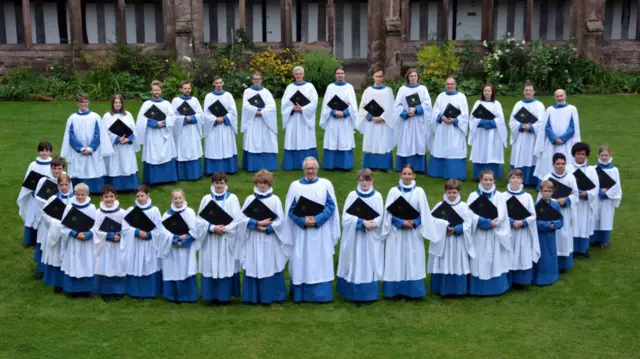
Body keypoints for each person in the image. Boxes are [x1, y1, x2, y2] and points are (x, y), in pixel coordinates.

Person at [284, 157, 340, 302]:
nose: (310, 171)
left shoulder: (325, 184)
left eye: (313, 168)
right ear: (303, 169)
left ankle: (321, 294)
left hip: (320, 231)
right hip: (301, 232)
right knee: (301, 260)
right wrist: (303, 221)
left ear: (317, 169)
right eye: (308, 168)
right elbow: (290, 210)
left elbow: (331, 207)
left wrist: (317, 220)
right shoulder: (295, 186)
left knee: (320, 260)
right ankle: (301, 294)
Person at [381, 164, 441, 300]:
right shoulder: (393, 191)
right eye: (404, 173)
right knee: (396, 259)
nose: (407, 176)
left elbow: (425, 212)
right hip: (397, 232)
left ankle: (413, 292)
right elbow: (388, 212)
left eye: (409, 174)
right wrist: (401, 222)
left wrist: (414, 222)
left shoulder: (419, 191)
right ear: (400, 175)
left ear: (414, 175)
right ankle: (395, 291)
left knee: (413, 259)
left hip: (413, 232)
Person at [236, 170, 291, 304]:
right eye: (260, 183)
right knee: (254, 263)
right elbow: (241, 219)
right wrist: (256, 224)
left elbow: (280, 220)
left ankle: (272, 296)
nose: (262, 186)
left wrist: (268, 228)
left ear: (269, 183)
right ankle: (252, 297)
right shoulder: (250, 199)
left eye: (265, 183)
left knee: (269, 263)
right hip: (254, 237)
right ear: (256, 183)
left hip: (269, 238)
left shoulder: (275, 199)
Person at [337, 169, 385, 303]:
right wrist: (361, 222)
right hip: (355, 237)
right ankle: (352, 293)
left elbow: (381, 216)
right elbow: (345, 218)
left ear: (372, 180)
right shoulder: (352, 195)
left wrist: (373, 224)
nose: (364, 183)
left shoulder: (377, 196)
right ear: (358, 180)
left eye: (367, 179)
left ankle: (369, 294)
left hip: (370, 236)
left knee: (369, 262)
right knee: (355, 261)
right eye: (362, 179)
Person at [195, 173, 242, 304]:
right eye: (217, 183)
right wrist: (212, 228)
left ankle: (225, 296)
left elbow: (238, 220)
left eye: (221, 183)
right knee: (211, 265)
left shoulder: (232, 199)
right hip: (211, 240)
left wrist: (225, 229)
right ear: (213, 184)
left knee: (225, 265)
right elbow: (199, 221)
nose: (219, 185)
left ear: (225, 183)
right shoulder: (206, 199)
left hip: (226, 239)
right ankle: (211, 296)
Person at [467, 169, 511, 296]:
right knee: (479, 259)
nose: (488, 182)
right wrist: (485, 222)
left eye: (490, 180)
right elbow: (469, 214)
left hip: (494, 233)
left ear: (494, 181)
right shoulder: (473, 196)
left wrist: (494, 223)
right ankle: (478, 288)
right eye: (485, 179)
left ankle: (496, 288)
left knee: (495, 259)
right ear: (480, 180)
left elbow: (502, 214)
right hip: (479, 233)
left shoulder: (500, 196)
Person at [427, 179, 474, 297]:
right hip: (444, 240)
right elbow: (431, 220)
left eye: (454, 192)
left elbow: (468, 224)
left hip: (457, 241)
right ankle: (442, 288)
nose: (452, 195)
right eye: (449, 192)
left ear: (459, 192)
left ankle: (458, 289)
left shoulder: (464, 207)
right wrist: (443, 227)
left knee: (456, 261)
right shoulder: (440, 205)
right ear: (445, 192)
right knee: (443, 261)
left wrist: (456, 229)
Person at [61, 94, 113, 194]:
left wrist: (90, 148)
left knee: (93, 167)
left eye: (85, 102)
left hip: (93, 150)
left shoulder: (95, 117)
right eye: (81, 102)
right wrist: (80, 148)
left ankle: (95, 189)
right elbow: (70, 136)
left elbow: (99, 134)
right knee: (79, 169)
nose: (83, 104)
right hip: (78, 151)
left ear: (88, 102)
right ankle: (78, 189)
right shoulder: (72, 118)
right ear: (77, 103)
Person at [121, 185, 164, 299]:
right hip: (135, 243)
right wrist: (136, 232)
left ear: (148, 195)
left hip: (149, 243)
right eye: (138, 196)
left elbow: (159, 228)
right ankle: (135, 291)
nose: (140, 198)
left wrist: (149, 234)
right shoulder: (131, 210)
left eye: (142, 195)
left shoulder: (154, 210)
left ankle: (149, 291)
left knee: (149, 264)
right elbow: (125, 228)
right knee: (136, 264)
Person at [537, 153, 578, 272]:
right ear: (553, 164)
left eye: (563, 163)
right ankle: (552, 262)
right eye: (558, 164)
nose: (560, 166)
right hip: (551, 212)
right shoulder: (547, 177)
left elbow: (575, 194)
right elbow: (541, 196)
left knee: (564, 237)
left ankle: (564, 264)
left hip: (565, 211)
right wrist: (554, 201)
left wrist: (566, 200)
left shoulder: (571, 177)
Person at [159, 189, 199, 303]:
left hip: (186, 247)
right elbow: (162, 232)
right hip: (172, 246)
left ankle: (187, 296)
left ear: (184, 198)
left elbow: (195, 230)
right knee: (172, 269)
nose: (178, 200)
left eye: (180, 198)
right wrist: (175, 239)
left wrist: (184, 241)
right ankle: (172, 296)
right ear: (172, 199)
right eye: (175, 198)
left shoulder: (189, 212)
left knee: (185, 269)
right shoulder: (167, 214)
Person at [534, 89, 581, 182]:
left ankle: (566, 183)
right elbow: (546, 126)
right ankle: (548, 183)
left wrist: (563, 139)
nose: (559, 98)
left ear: (565, 96)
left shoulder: (572, 109)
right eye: (557, 96)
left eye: (561, 96)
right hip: (552, 143)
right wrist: (554, 138)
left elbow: (573, 126)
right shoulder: (550, 109)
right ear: (554, 97)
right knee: (549, 162)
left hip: (566, 143)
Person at [136, 80, 178, 185]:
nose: (157, 92)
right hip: (152, 134)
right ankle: (154, 179)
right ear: (151, 91)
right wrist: (154, 123)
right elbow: (141, 120)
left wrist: (164, 122)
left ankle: (167, 178)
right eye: (155, 90)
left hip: (165, 133)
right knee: (153, 154)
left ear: (161, 91)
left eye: (158, 90)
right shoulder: (147, 104)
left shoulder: (167, 103)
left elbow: (172, 117)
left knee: (167, 154)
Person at [503, 169, 540, 287]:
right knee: (508, 253)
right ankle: (508, 278)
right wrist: (511, 222)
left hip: (522, 231)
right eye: (513, 177)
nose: (515, 180)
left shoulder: (527, 197)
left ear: (522, 180)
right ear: (509, 179)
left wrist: (522, 222)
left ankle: (521, 280)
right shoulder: (502, 196)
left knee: (521, 254)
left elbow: (533, 215)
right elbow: (499, 214)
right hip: (508, 230)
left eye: (518, 178)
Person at [59, 183, 97, 297]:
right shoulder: (70, 207)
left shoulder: (92, 208)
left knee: (87, 263)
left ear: (87, 194)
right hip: (74, 241)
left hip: (87, 242)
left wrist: (89, 234)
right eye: (77, 194)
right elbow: (63, 225)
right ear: (74, 194)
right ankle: (73, 289)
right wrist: (75, 234)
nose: (80, 197)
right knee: (74, 263)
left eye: (82, 194)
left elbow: (97, 225)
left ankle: (87, 290)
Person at [428, 77, 469, 180]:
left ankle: (455, 173)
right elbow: (435, 111)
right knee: (440, 148)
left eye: (451, 84)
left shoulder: (461, 97)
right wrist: (441, 117)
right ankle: (438, 172)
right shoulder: (440, 96)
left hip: (454, 129)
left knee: (454, 149)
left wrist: (455, 121)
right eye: (447, 84)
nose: (449, 86)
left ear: (455, 85)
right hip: (442, 128)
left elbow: (465, 115)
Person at [392, 68, 432, 173]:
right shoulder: (402, 89)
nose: (413, 78)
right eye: (411, 76)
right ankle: (404, 166)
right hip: (407, 122)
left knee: (418, 142)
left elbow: (427, 104)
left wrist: (416, 109)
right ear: (407, 78)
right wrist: (406, 113)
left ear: (418, 77)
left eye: (415, 76)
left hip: (418, 121)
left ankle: (419, 167)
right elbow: (397, 105)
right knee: (406, 142)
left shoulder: (423, 89)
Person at [32, 157, 66, 280]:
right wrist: (50, 205)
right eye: (54, 168)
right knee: (44, 241)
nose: (57, 171)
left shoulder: (65, 179)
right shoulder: (43, 180)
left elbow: (68, 194)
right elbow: (38, 198)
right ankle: (41, 269)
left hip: (60, 217)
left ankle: (57, 270)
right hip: (46, 217)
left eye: (59, 168)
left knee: (57, 243)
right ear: (51, 168)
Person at [356, 65, 396, 171]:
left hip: (383, 123)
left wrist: (382, 117)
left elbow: (391, 108)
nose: (379, 79)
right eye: (377, 76)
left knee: (383, 142)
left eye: (381, 76)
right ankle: (371, 165)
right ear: (373, 77)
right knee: (371, 142)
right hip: (371, 123)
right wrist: (371, 117)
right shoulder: (368, 91)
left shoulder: (388, 91)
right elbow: (362, 108)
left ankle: (384, 166)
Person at [319, 67, 358, 171]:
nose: (340, 75)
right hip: (333, 120)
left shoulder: (349, 87)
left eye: (341, 73)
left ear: (345, 74)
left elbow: (353, 105)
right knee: (332, 140)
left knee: (344, 140)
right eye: (338, 73)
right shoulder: (330, 87)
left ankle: (345, 165)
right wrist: (333, 112)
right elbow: (326, 105)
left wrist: (345, 113)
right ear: (335, 75)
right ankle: (330, 165)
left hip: (345, 120)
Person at [281, 66, 319, 171]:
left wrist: (303, 109)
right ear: (294, 75)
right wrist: (292, 108)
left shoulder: (310, 87)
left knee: (306, 138)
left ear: (303, 74)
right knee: (292, 138)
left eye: (300, 74)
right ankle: (291, 164)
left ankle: (308, 163)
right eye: (296, 74)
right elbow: (284, 104)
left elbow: (314, 102)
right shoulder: (290, 88)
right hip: (293, 118)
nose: (298, 76)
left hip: (304, 118)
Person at [93, 185, 126, 302]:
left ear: (116, 197)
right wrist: (109, 236)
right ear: (102, 198)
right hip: (105, 244)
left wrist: (120, 236)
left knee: (118, 265)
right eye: (106, 197)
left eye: (111, 196)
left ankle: (118, 290)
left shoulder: (121, 212)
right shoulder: (98, 213)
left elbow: (127, 228)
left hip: (118, 244)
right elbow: (95, 229)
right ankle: (105, 291)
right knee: (105, 266)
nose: (109, 199)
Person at [17, 141, 53, 247]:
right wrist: (32, 191)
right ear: (38, 151)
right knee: (31, 216)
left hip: (46, 197)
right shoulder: (33, 164)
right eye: (42, 150)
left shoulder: (53, 165)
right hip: (33, 196)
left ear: (50, 152)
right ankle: (29, 240)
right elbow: (28, 180)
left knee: (43, 217)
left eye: (46, 150)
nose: (44, 153)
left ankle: (41, 240)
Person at [509, 82, 545, 186]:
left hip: (532, 137)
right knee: (519, 156)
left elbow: (542, 123)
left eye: (530, 90)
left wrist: (532, 127)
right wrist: (520, 126)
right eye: (526, 90)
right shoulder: (518, 104)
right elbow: (512, 121)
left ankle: (530, 180)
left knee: (530, 156)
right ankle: (516, 178)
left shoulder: (539, 105)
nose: (528, 92)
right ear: (523, 91)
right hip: (520, 136)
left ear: (534, 92)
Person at [42, 172, 74, 293]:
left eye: (66, 184)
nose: (64, 187)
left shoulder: (75, 199)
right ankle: (58, 283)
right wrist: (55, 223)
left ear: (70, 184)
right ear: (57, 185)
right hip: (57, 232)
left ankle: (69, 282)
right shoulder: (53, 199)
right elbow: (45, 214)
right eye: (61, 184)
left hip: (70, 233)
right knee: (56, 257)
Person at [567, 142, 599, 258]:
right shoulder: (568, 168)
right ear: (574, 154)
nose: (580, 156)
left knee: (584, 224)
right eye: (578, 154)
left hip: (585, 202)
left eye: (583, 154)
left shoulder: (591, 170)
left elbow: (596, 187)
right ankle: (572, 249)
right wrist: (575, 194)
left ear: (586, 155)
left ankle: (583, 249)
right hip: (573, 202)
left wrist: (586, 194)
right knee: (573, 223)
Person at [241, 72, 279, 172]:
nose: (257, 80)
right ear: (252, 80)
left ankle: (268, 165)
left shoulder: (266, 92)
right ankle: (253, 165)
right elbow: (246, 106)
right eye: (255, 79)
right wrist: (255, 112)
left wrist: (261, 112)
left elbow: (272, 106)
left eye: (259, 79)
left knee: (265, 141)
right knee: (252, 141)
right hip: (253, 121)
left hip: (264, 121)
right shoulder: (247, 92)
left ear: (261, 80)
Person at [468, 84, 507, 179]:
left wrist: (490, 123)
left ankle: (493, 174)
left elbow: (500, 120)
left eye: (489, 91)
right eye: (485, 91)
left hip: (493, 134)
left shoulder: (496, 104)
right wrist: (483, 122)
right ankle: (478, 175)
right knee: (481, 151)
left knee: (492, 151)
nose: (487, 92)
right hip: (481, 133)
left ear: (492, 92)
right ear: (482, 92)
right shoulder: (478, 103)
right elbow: (472, 118)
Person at [102, 94, 140, 191]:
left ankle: (130, 186)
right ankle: (115, 186)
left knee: (127, 164)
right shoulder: (107, 116)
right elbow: (105, 132)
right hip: (115, 146)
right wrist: (117, 138)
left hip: (127, 146)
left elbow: (133, 129)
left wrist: (129, 138)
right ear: (112, 104)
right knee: (115, 165)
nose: (118, 104)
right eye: (116, 102)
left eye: (119, 102)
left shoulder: (128, 114)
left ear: (122, 104)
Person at [203, 76, 238, 174]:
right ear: (213, 84)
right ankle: (213, 170)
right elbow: (205, 113)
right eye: (216, 83)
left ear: (223, 83)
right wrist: (215, 119)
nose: (218, 85)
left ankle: (228, 168)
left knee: (227, 146)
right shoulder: (208, 96)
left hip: (225, 126)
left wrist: (224, 118)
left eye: (220, 83)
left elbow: (233, 111)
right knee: (213, 147)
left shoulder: (228, 95)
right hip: (214, 126)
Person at [172, 81, 204, 181]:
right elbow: (173, 116)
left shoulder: (195, 100)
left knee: (193, 149)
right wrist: (184, 119)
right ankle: (182, 175)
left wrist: (193, 118)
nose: (187, 90)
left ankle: (194, 174)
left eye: (188, 88)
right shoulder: (176, 101)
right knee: (182, 149)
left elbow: (200, 114)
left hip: (193, 130)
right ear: (181, 89)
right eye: (185, 88)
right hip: (181, 131)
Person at [590, 145, 622, 248]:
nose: (604, 157)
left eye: (606, 155)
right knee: (595, 217)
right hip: (596, 198)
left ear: (610, 155)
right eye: (602, 155)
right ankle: (593, 239)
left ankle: (604, 240)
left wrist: (606, 193)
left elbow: (616, 185)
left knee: (605, 218)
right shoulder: (593, 169)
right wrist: (598, 191)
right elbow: (591, 182)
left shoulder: (614, 170)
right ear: (598, 155)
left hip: (607, 199)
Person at [533, 180, 563, 286]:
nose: (547, 193)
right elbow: (534, 222)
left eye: (549, 191)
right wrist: (547, 225)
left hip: (551, 236)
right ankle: (540, 277)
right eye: (545, 191)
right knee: (541, 256)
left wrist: (554, 225)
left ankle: (551, 276)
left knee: (550, 255)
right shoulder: (536, 206)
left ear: (553, 192)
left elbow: (561, 221)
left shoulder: (555, 205)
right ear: (540, 192)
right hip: (540, 236)